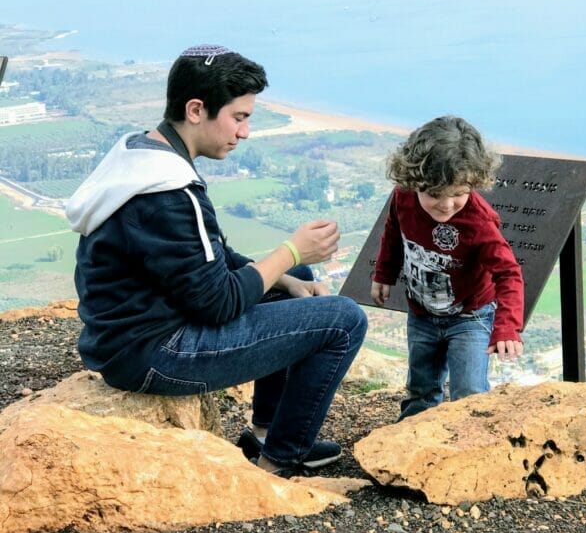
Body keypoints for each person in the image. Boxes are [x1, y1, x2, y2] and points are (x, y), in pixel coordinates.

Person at [66, 44, 367, 478]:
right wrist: (292, 250)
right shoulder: (167, 191)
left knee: (293, 278)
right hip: (155, 353)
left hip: (126, 338)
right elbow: (217, 303)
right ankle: (279, 462)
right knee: (344, 320)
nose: (244, 132)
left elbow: (211, 257)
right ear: (195, 110)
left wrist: (288, 275)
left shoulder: (141, 154)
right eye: (239, 117)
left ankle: (264, 433)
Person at [371, 115, 524, 419]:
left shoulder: (479, 222)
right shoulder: (403, 197)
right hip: (422, 315)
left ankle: (472, 449)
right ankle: (409, 441)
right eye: (434, 194)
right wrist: (384, 273)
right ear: (413, 180)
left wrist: (506, 326)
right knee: (420, 389)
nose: (446, 204)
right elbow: (393, 232)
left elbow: (508, 273)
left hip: (470, 317)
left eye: (458, 193)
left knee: (469, 393)